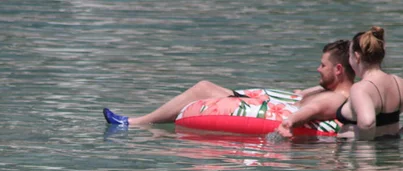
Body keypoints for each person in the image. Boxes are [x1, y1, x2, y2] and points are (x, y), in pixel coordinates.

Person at [102, 40, 355, 137]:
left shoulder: (333, 99)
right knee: (203, 86)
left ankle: (138, 123)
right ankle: (144, 124)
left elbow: (299, 116)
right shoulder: (337, 89)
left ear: (338, 70)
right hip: (268, 102)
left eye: (322, 65)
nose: (317, 69)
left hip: (270, 114)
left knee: (202, 87)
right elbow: (307, 94)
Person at [336, 26, 403, 140]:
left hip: (358, 154)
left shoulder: (360, 89)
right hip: (393, 152)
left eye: (350, 56)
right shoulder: (401, 83)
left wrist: (364, 152)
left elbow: (367, 123)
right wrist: (402, 132)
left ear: (357, 57)